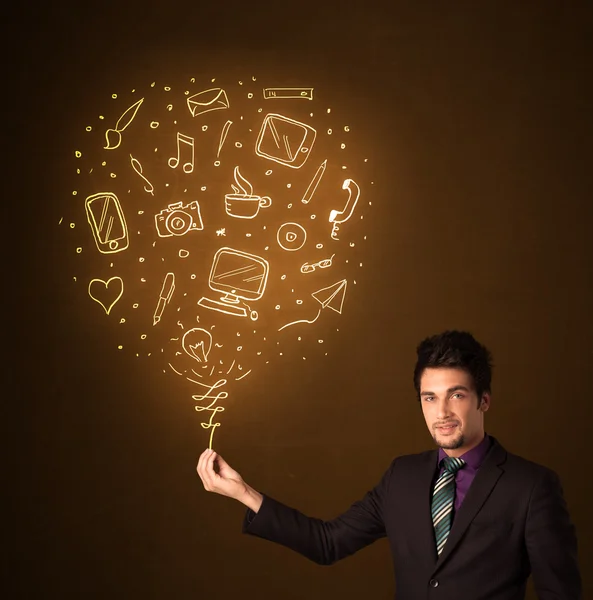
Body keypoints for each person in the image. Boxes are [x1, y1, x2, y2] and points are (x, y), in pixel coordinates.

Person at [196, 330, 582, 599]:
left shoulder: (532, 487)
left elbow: (558, 593)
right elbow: (328, 542)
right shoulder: (402, 476)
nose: (441, 412)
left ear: (484, 400)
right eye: (429, 398)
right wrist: (243, 493)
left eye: (456, 395)